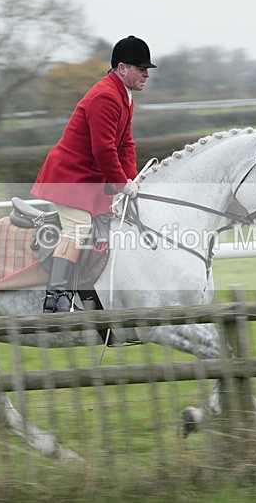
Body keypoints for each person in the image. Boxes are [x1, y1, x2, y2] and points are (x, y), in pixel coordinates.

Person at [31, 35, 156, 312]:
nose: (147, 74)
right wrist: (121, 184)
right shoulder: (105, 97)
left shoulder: (125, 97)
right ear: (122, 68)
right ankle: (56, 296)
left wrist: (133, 179)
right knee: (78, 227)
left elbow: (125, 145)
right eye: (141, 68)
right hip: (69, 177)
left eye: (147, 69)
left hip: (88, 179)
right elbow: (104, 150)